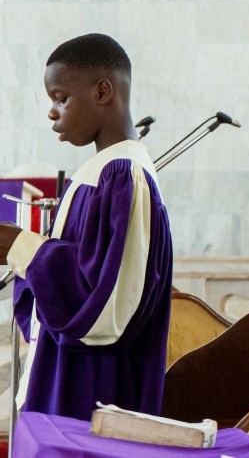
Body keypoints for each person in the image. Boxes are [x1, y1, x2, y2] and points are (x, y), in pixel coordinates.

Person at [0, 34, 173, 419]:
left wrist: (20, 247)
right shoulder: (98, 172)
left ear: (102, 91)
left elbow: (105, 305)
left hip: (95, 390)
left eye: (61, 98)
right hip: (69, 373)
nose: (52, 112)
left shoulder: (124, 175)